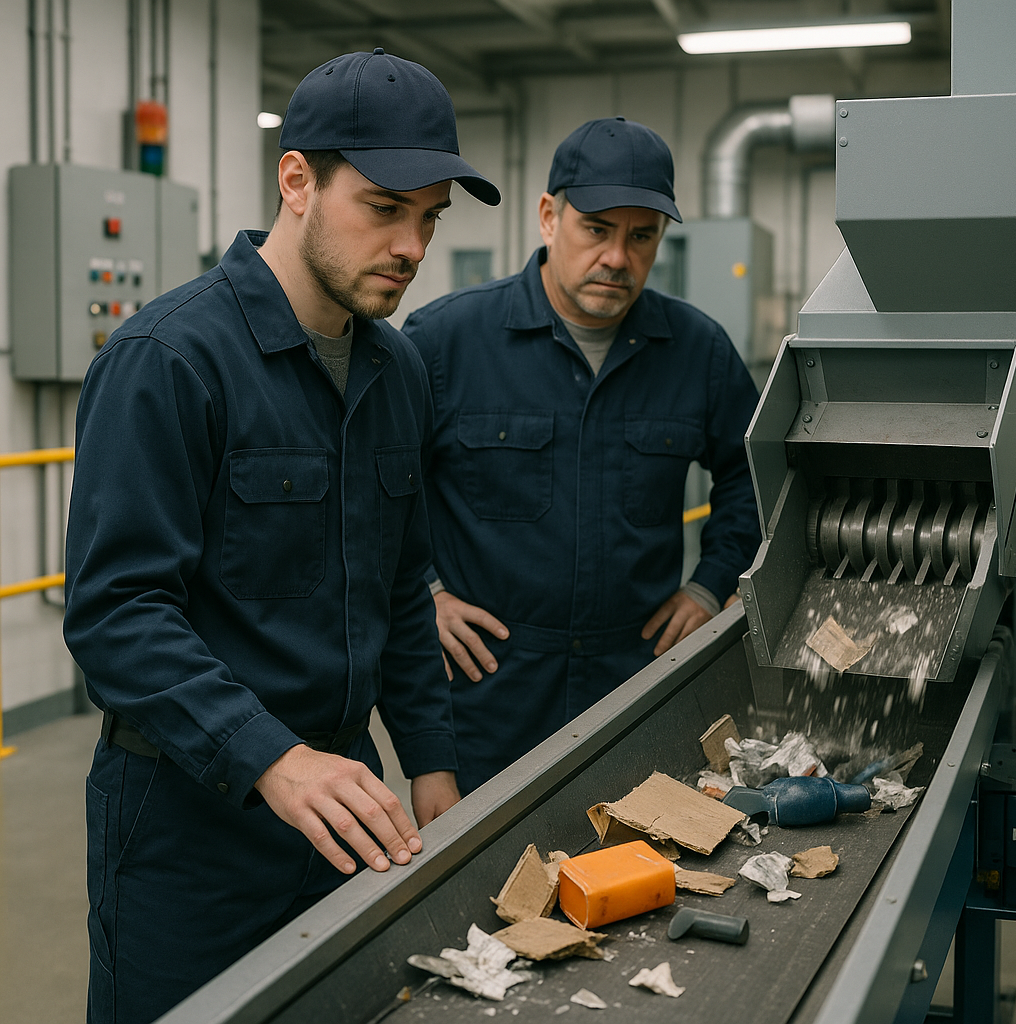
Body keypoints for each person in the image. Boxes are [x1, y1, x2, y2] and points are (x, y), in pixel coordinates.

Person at [64, 49, 499, 1024]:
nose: (411, 245)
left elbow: (399, 583)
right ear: (296, 179)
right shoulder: (169, 360)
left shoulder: (397, 370)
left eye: (429, 217)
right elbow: (117, 615)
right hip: (191, 822)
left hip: (347, 808)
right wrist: (273, 757)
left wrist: (430, 763)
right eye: (384, 208)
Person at [402, 117, 761, 795]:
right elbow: (376, 483)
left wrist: (711, 583)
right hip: (487, 690)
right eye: (596, 228)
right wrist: (425, 591)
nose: (618, 258)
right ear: (548, 217)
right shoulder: (445, 342)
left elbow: (753, 478)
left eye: (641, 236)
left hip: (637, 683)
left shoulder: (698, 352)